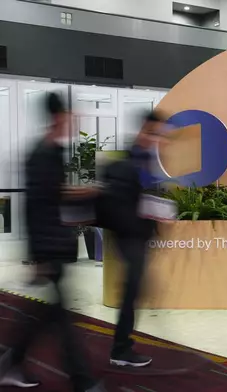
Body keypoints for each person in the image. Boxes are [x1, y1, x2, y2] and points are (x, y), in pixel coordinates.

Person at [0, 92, 104, 391]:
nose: (74, 122)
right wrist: (38, 256)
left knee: (47, 315)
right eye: (71, 116)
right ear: (59, 117)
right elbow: (36, 205)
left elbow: (55, 194)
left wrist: (84, 193)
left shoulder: (50, 152)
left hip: (54, 244)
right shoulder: (42, 155)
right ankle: (81, 381)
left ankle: (12, 362)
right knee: (58, 317)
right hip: (49, 248)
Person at [98, 111, 166, 367]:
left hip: (138, 236)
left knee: (133, 291)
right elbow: (122, 204)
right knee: (131, 291)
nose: (158, 138)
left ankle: (122, 346)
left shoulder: (146, 161)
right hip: (130, 237)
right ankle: (120, 348)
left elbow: (148, 198)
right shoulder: (130, 162)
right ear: (145, 130)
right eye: (155, 132)